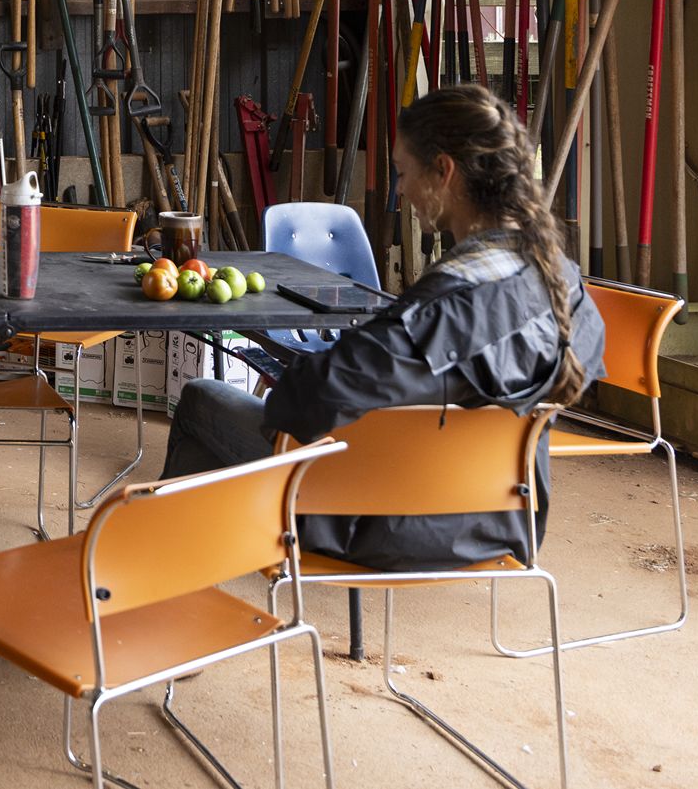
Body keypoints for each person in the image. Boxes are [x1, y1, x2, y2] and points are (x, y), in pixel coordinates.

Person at [162, 83, 606, 569]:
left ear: (444, 171)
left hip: (377, 521)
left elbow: (308, 402)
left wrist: (294, 387)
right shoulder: (564, 284)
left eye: (402, 172)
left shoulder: (439, 308)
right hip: (503, 522)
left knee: (201, 399)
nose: (400, 189)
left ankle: (167, 572)